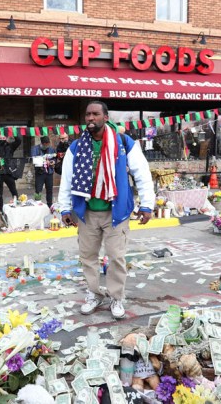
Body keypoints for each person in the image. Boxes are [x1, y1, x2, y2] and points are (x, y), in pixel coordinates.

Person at [58, 102, 155, 319]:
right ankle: (94, 293)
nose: (91, 118)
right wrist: (65, 207)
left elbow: (142, 173)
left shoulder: (123, 142)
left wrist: (147, 204)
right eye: (88, 114)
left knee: (116, 257)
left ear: (105, 116)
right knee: (88, 257)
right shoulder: (76, 146)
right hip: (87, 212)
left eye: (95, 114)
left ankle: (116, 296)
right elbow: (67, 179)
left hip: (116, 211)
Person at [0, 135, 22, 212]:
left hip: (8, 172)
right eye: (1, 138)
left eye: (4, 138)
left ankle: (16, 206)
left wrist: (13, 133)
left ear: (6, 138)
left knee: (14, 191)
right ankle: (1, 210)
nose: (2, 139)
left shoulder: (10, 146)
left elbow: (19, 141)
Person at [31, 136, 56, 207]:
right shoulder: (35, 149)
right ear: (42, 143)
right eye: (46, 144)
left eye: (48, 144)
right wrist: (44, 161)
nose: (47, 146)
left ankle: (50, 205)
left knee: (49, 190)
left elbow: (55, 158)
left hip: (49, 172)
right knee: (38, 190)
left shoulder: (51, 149)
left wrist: (52, 162)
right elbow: (34, 159)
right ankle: (37, 203)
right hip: (40, 172)